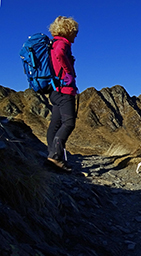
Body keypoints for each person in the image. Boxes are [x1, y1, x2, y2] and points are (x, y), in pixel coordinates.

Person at [46, 16, 79, 172]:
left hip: (54, 90)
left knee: (56, 123)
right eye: (75, 31)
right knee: (69, 123)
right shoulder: (62, 44)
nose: (76, 35)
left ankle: (52, 157)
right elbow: (60, 54)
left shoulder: (53, 43)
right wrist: (69, 73)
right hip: (64, 91)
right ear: (68, 30)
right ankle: (55, 157)